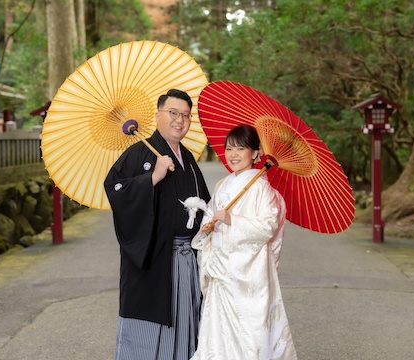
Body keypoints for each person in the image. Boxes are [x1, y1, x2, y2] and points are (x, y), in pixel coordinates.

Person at [104, 89, 211, 360]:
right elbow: (115, 188)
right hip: (154, 259)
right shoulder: (139, 153)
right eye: (173, 113)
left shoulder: (186, 158)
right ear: (157, 115)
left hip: (187, 259)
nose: (180, 120)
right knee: (149, 330)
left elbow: (205, 201)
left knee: (186, 320)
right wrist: (152, 177)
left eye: (186, 115)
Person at [190, 124, 298, 360]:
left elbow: (267, 226)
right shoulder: (223, 184)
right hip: (221, 268)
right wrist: (208, 225)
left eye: (241, 148)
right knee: (218, 331)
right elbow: (211, 214)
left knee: (247, 330)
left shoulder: (261, 187)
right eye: (229, 148)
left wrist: (232, 220)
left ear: (256, 153)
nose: (233, 154)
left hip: (247, 272)